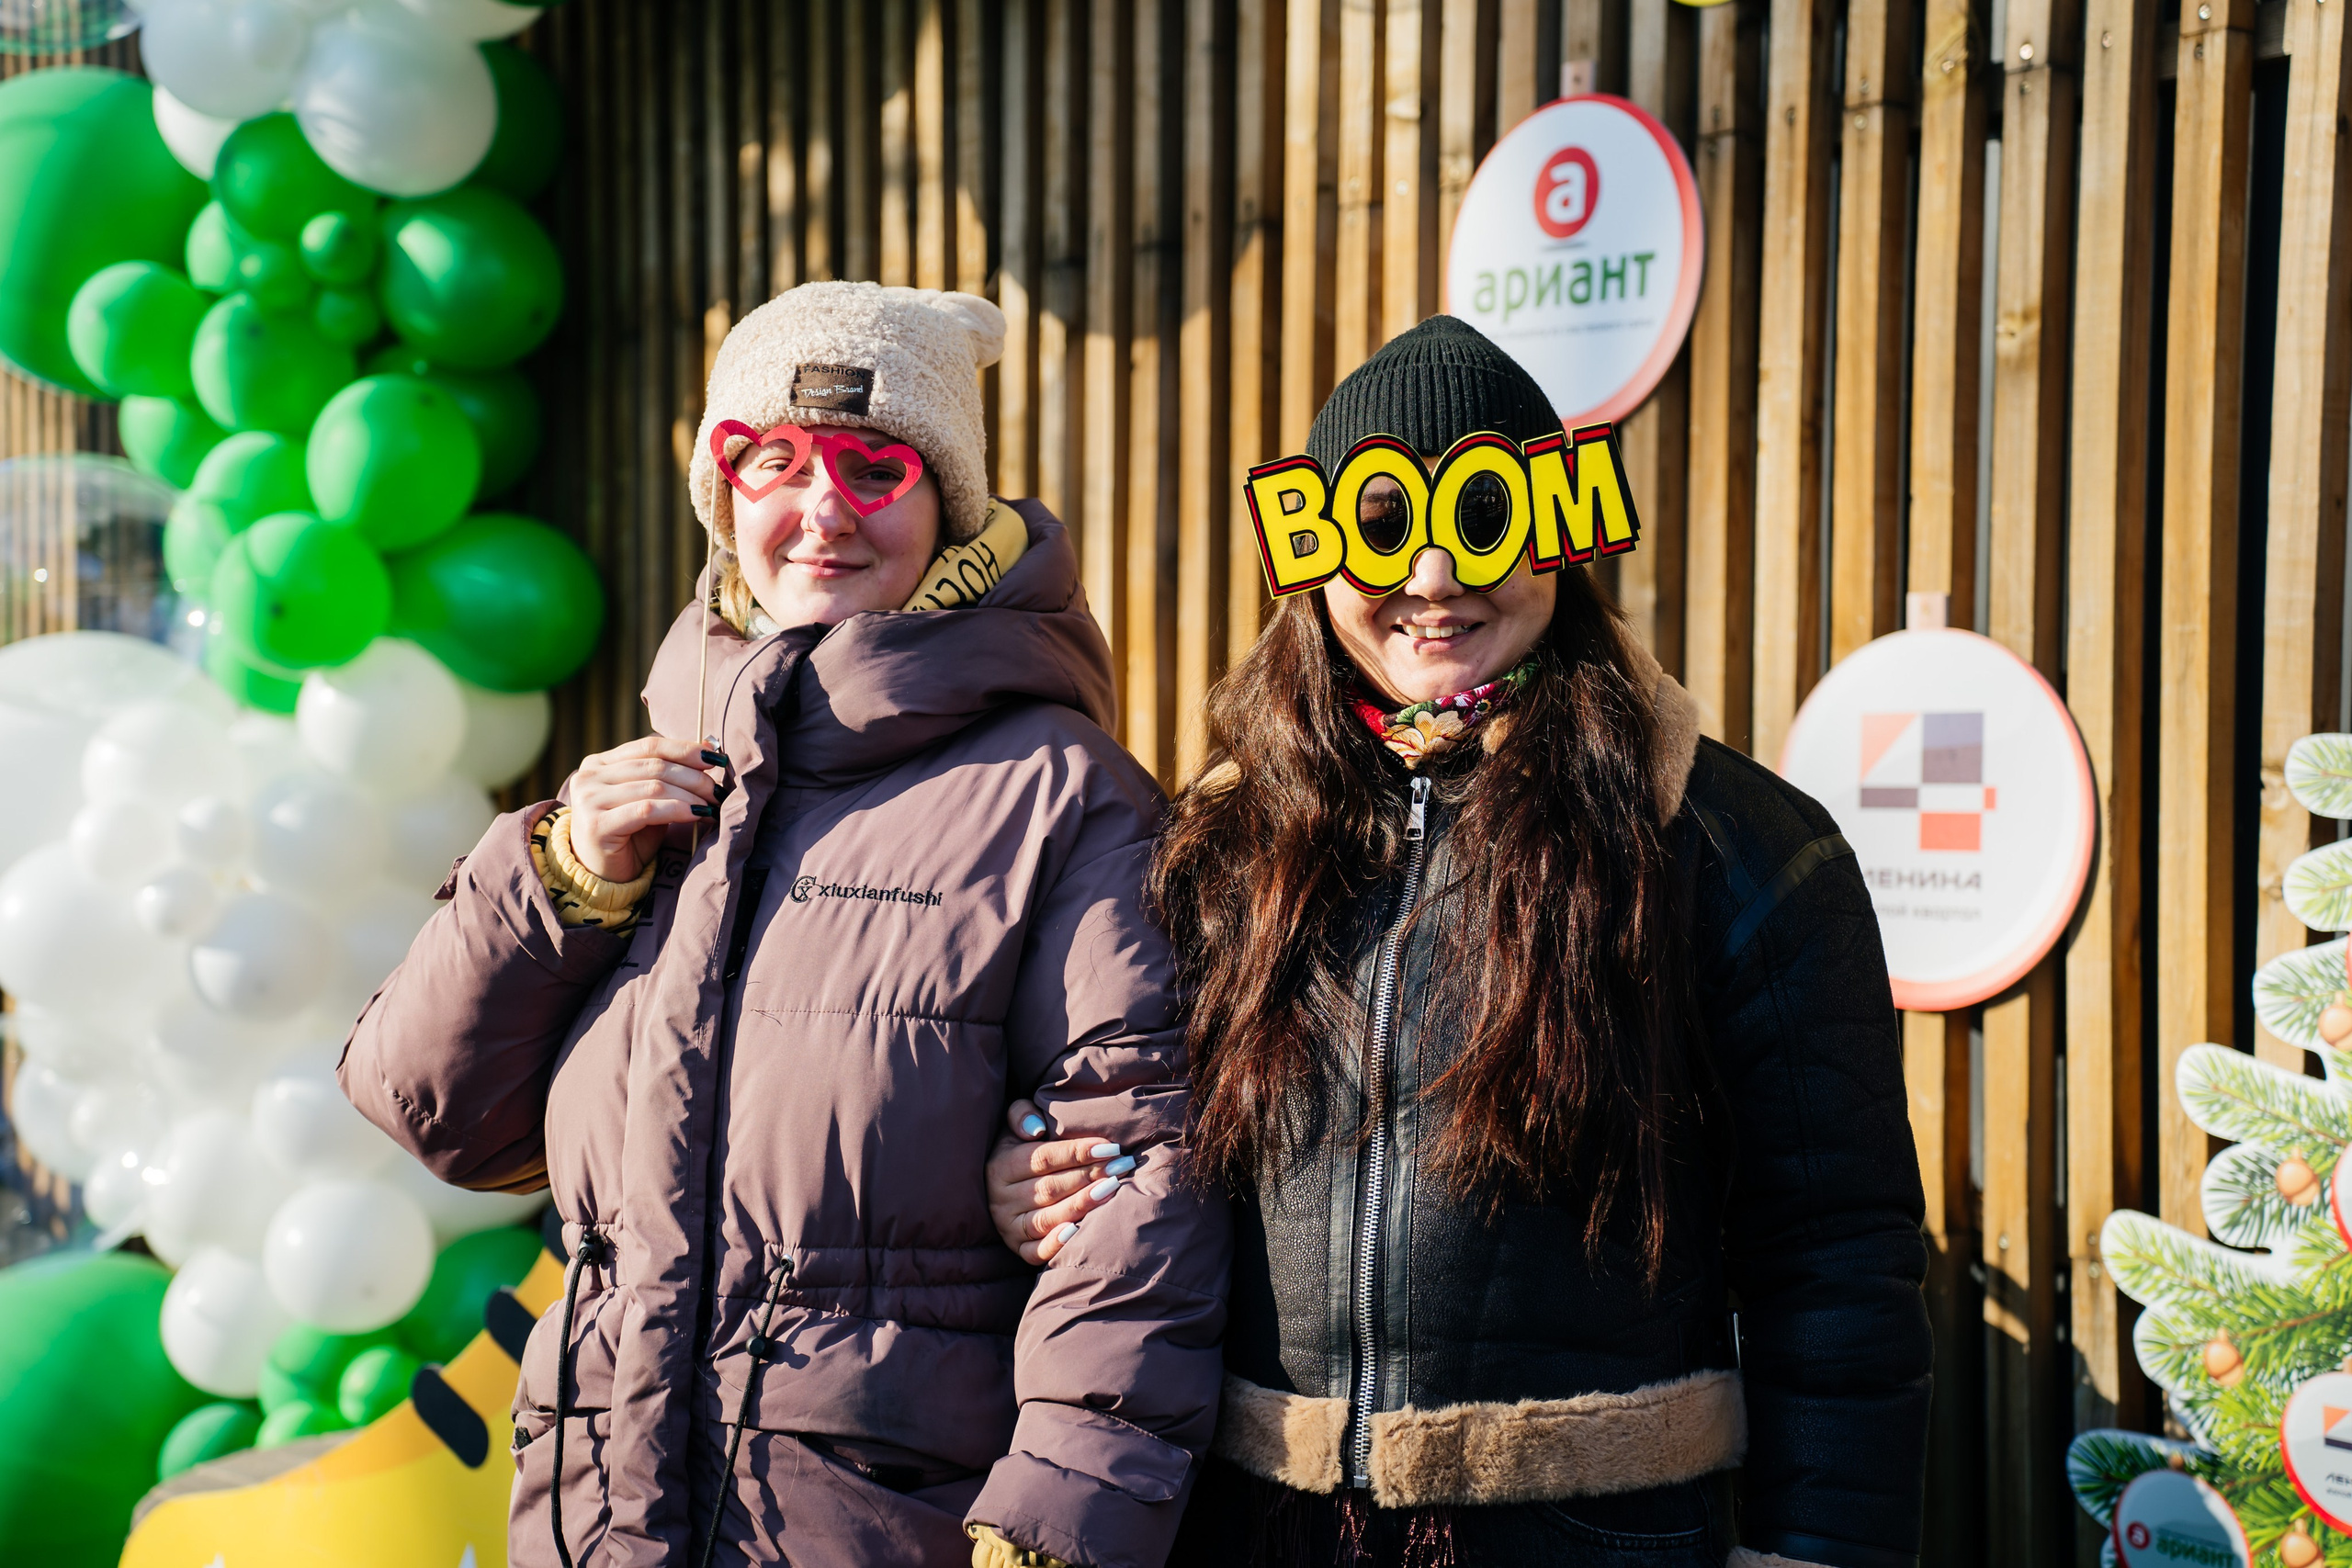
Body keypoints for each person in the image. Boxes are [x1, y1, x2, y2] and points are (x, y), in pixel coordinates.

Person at [987, 316, 1931, 1567]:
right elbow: (1141, 1147)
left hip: (1601, 1541)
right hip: (1261, 1534)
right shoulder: (1217, 847)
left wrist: (1816, 1555)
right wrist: (1041, 1186)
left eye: (1483, 517)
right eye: (1381, 525)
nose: (1432, 577)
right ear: (1313, 555)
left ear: (1559, 533)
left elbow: (1838, 1260)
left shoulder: (1734, 846)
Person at [341, 281, 1230, 1568]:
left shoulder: (1057, 796)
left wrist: (1057, 1530)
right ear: (723, 491)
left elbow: (1138, 1196)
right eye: (777, 462)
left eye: (877, 468)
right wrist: (561, 876)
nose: (822, 511)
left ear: (949, 510)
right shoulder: (643, 795)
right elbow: (436, 1115)